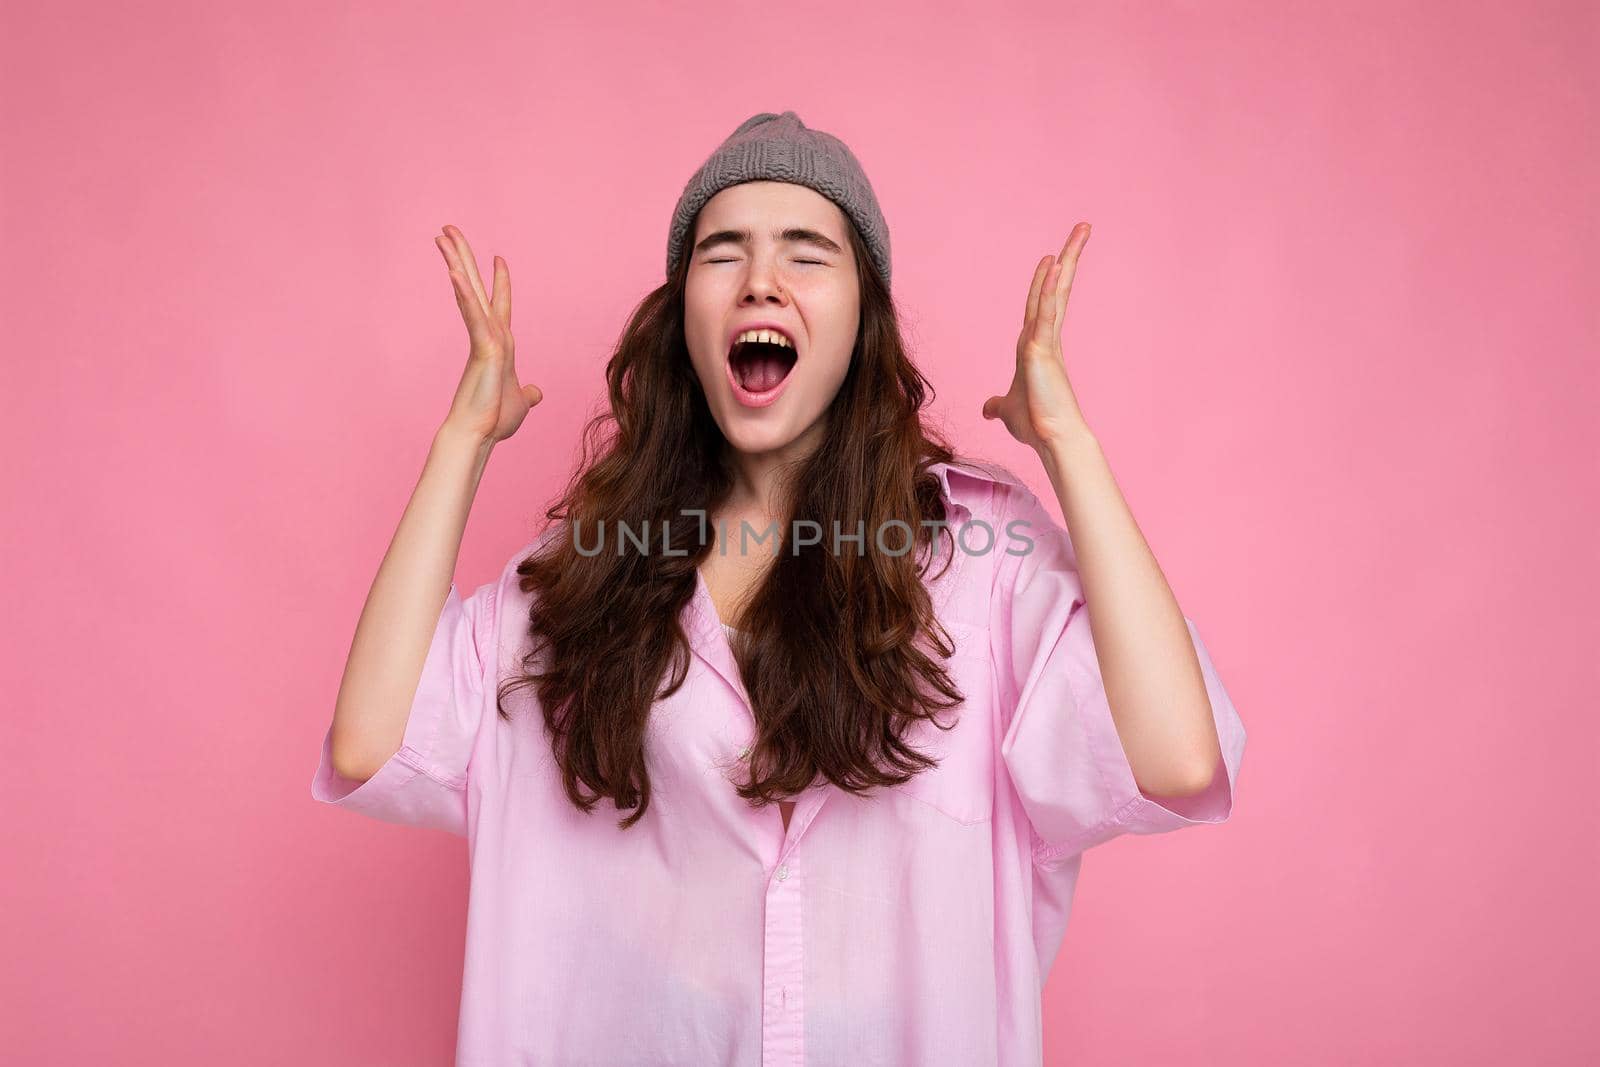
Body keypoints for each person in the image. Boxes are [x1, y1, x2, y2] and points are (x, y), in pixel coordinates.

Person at [312, 110, 1247, 1066]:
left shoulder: (983, 562)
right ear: (683, 318)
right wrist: (463, 441)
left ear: (862, 316)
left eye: (807, 254)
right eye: (724, 253)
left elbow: (1174, 758)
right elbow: (373, 739)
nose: (761, 279)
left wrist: (1068, 444)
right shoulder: (592, 573)